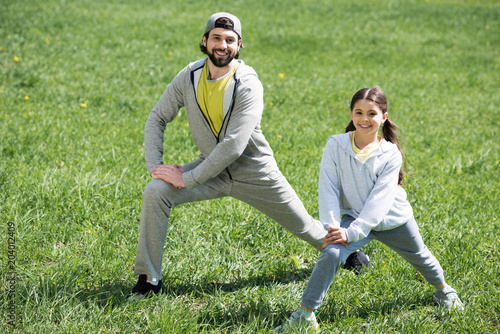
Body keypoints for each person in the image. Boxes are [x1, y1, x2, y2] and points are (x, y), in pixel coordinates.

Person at [129, 12, 368, 300]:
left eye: (230, 40)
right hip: (212, 169)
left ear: (239, 45)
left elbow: (233, 145)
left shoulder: (248, 83)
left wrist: (188, 177)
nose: (222, 45)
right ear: (204, 41)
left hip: (255, 172)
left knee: (303, 225)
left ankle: (346, 250)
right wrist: (156, 166)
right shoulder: (189, 76)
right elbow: (157, 117)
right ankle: (149, 279)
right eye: (216, 38)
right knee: (156, 192)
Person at [275, 87, 464, 332]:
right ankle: (305, 315)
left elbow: (379, 201)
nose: (365, 119)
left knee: (420, 256)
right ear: (351, 114)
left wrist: (352, 233)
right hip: (352, 217)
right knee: (331, 254)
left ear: (383, 117)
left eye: (372, 114)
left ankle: (443, 291)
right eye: (359, 112)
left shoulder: (390, 154)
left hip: (391, 220)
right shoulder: (335, 145)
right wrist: (334, 228)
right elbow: (328, 188)